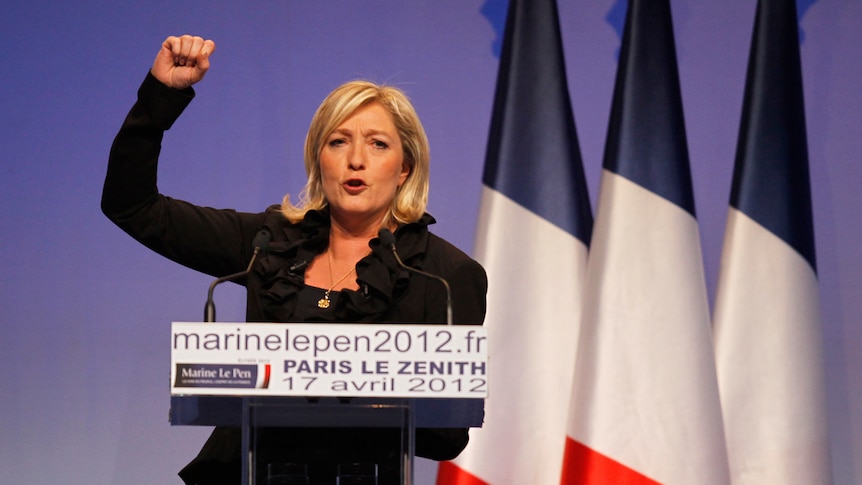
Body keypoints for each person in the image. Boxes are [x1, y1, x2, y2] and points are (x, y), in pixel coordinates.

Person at [101, 35, 488, 484]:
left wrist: (345, 388)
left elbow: (447, 435)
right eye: (339, 142)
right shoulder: (268, 242)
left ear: (405, 168)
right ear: (318, 159)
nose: (356, 160)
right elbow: (131, 205)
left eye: (378, 144)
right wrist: (161, 96)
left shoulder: (444, 276)